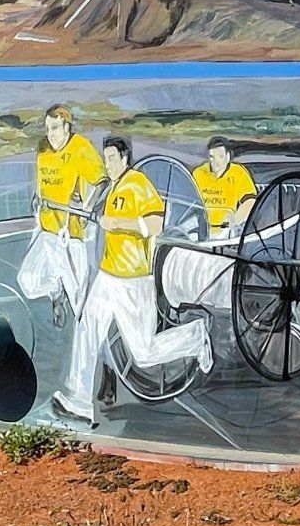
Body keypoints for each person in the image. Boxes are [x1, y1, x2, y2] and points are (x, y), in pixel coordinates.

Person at [52, 136, 211, 424]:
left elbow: (155, 224)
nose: (108, 163)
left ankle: (195, 337)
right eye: (106, 158)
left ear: (125, 158)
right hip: (108, 275)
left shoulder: (137, 183)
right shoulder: (113, 188)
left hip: (133, 281)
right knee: (87, 328)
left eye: (112, 158)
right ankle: (78, 400)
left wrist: (119, 224)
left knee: (145, 352)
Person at [17, 105, 107, 325]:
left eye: (55, 128)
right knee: (27, 280)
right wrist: (36, 195)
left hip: (72, 233)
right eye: (47, 128)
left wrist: (87, 207)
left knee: (80, 300)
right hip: (47, 227)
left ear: (67, 127)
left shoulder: (81, 148)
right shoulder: (43, 148)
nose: (50, 134)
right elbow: (41, 179)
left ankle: (91, 345)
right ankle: (56, 291)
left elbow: (102, 182)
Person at [191, 136, 257, 239]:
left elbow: (250, 201)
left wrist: (234, 222)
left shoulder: (238, 172)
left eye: (220, 156)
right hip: (199, 229)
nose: (216, 162)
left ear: (228, 156)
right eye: (212, 157)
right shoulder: (198, 173)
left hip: (226, 231)